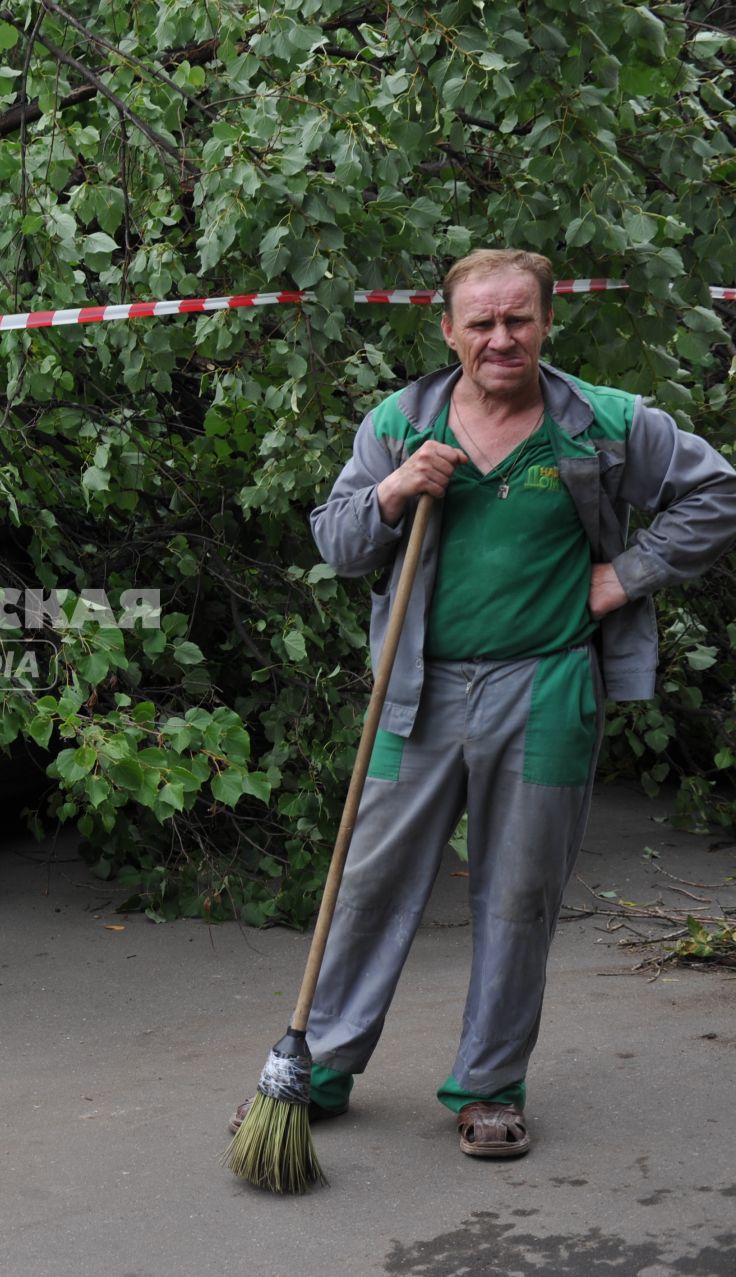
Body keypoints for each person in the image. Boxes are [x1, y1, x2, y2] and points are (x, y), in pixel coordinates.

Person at [239, 248, 736, 1158]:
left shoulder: (604, 424)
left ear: (548, 323)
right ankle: (321, 1067)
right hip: (416, 691)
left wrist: (623, 577)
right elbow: (340, 545)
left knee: (518, 894)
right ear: (449, 330)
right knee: (372, 884)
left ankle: (489, 1087)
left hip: (545, 688)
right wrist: (393, 491)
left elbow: (717, 491)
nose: (501, 338)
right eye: (482, 322)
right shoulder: (399, 424)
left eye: (519, 320)